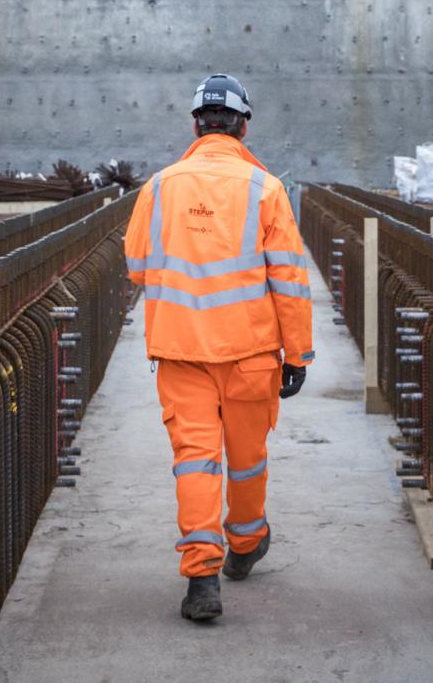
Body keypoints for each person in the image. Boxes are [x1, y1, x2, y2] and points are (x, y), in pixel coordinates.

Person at [123, 73, 314, 622]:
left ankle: (201, 578)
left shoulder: (160, 187)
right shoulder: (266, 190)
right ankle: (247, 542)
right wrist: (298, 354)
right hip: (251, 356)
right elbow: (290, 282)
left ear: (195, 125)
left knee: (195, 463)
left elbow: (137, 267)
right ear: (243, 126)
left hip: (181, 355)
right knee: (247, 461)